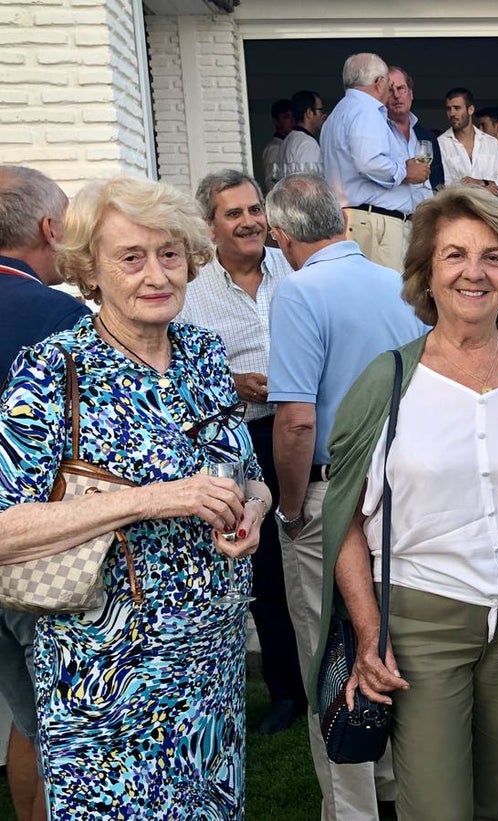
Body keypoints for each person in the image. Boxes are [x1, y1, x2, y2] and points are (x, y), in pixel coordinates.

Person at [313, 185, 498, 820]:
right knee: (438, 809)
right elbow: (346, 526)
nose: (474, 272)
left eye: (494, 257)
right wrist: (369, 633)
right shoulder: (387, 380)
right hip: (420, 623)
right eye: (454, 255)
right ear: (426, 273)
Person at [0, 176, 270, 816]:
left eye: (169, 254)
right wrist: (151, 499)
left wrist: (252, 506)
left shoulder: (203, 355)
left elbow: (247, 473)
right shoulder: (52, 370)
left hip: (210, 666)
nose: (156, 274)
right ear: (89, 271)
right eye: (131, 257)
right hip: (102, 683)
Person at [266, 173, 427, 820]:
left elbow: (297, 420)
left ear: (281, 238)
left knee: (327, 658)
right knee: (387, 642)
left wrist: (289, 505)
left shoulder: (299, 290)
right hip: (406, 492)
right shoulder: (396, 283)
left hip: (336, 498)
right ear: (343, 219)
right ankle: (395, 790)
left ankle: (350, 809)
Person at [177, 169, 308, 735]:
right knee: (267, 571)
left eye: (255, 210)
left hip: (303, 429)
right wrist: (231, 384)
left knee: (317, 554)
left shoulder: (294, 267)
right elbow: (179, 368)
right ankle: (287, 691)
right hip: (243, 439)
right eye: (235, 214)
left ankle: (335, 672)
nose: (251, 222)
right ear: (210, 226)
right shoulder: (192, 288)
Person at [0, 165, 88, 821]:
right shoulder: (59, 315)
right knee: (58, 720)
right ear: (49, 227)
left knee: (27, 715)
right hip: (39, 551)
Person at [323, 52, 431, 273]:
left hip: (357, 219)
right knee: (389, 297)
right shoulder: (367, 110)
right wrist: (405, 172)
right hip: (374, 222)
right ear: (378, 82)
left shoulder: (338, 113)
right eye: (388, 84)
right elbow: (369, 162)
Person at [438, 88, 498, 196]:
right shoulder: (440, 144)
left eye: (457, 108)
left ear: (470, 110)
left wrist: (481, 183)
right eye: (448, 109)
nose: (452, 113)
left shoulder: (491, 143)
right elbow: (442, 186)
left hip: (489, 210)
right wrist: (483, 188)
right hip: (459, 210)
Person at [386, 66, 443, 194]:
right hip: (391, 213)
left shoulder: (427, 136)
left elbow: (438, 182)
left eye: (401, 88)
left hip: (426, 211)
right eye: (390, 90)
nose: (396, 95)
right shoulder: (376, 133)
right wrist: (405, 173)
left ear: (411, 94)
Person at [278, 89, 326, 177]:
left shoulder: (287, 140)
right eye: (321, 110)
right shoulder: (308, 144)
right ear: (309, 113)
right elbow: (309, 184)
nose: (324, 115)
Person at [262, 99, 295, 190]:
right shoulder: (274, 148)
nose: (292, 121)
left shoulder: (290, 144)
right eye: (286, 117)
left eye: (293, 116)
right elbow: (272, 182)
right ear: (276, 121)